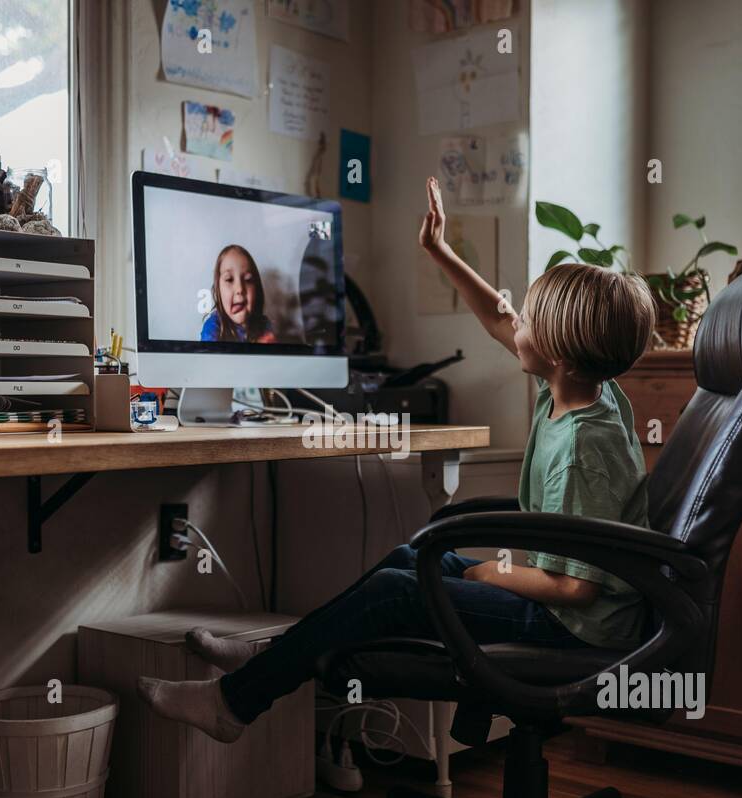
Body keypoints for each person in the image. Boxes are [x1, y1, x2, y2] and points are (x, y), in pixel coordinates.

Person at [138, 176, 656, 743]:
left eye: (528, 321)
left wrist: (491, 570)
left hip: (577, 629)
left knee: (398, 592)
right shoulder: (577, 384)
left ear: (556, 351)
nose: (515, 325)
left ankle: (232, 705)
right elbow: (498, 315)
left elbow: (574, 589)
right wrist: (441, 250)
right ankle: (273, 657)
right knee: (408, 559)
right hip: (562, 605)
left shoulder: (586, 447)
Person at [199, 244, 276, 343]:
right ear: (218, 290)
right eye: (229, 279)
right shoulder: (213, 328)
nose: (239, 289)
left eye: (248, 280)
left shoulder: (265, 325)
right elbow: (209, 357)